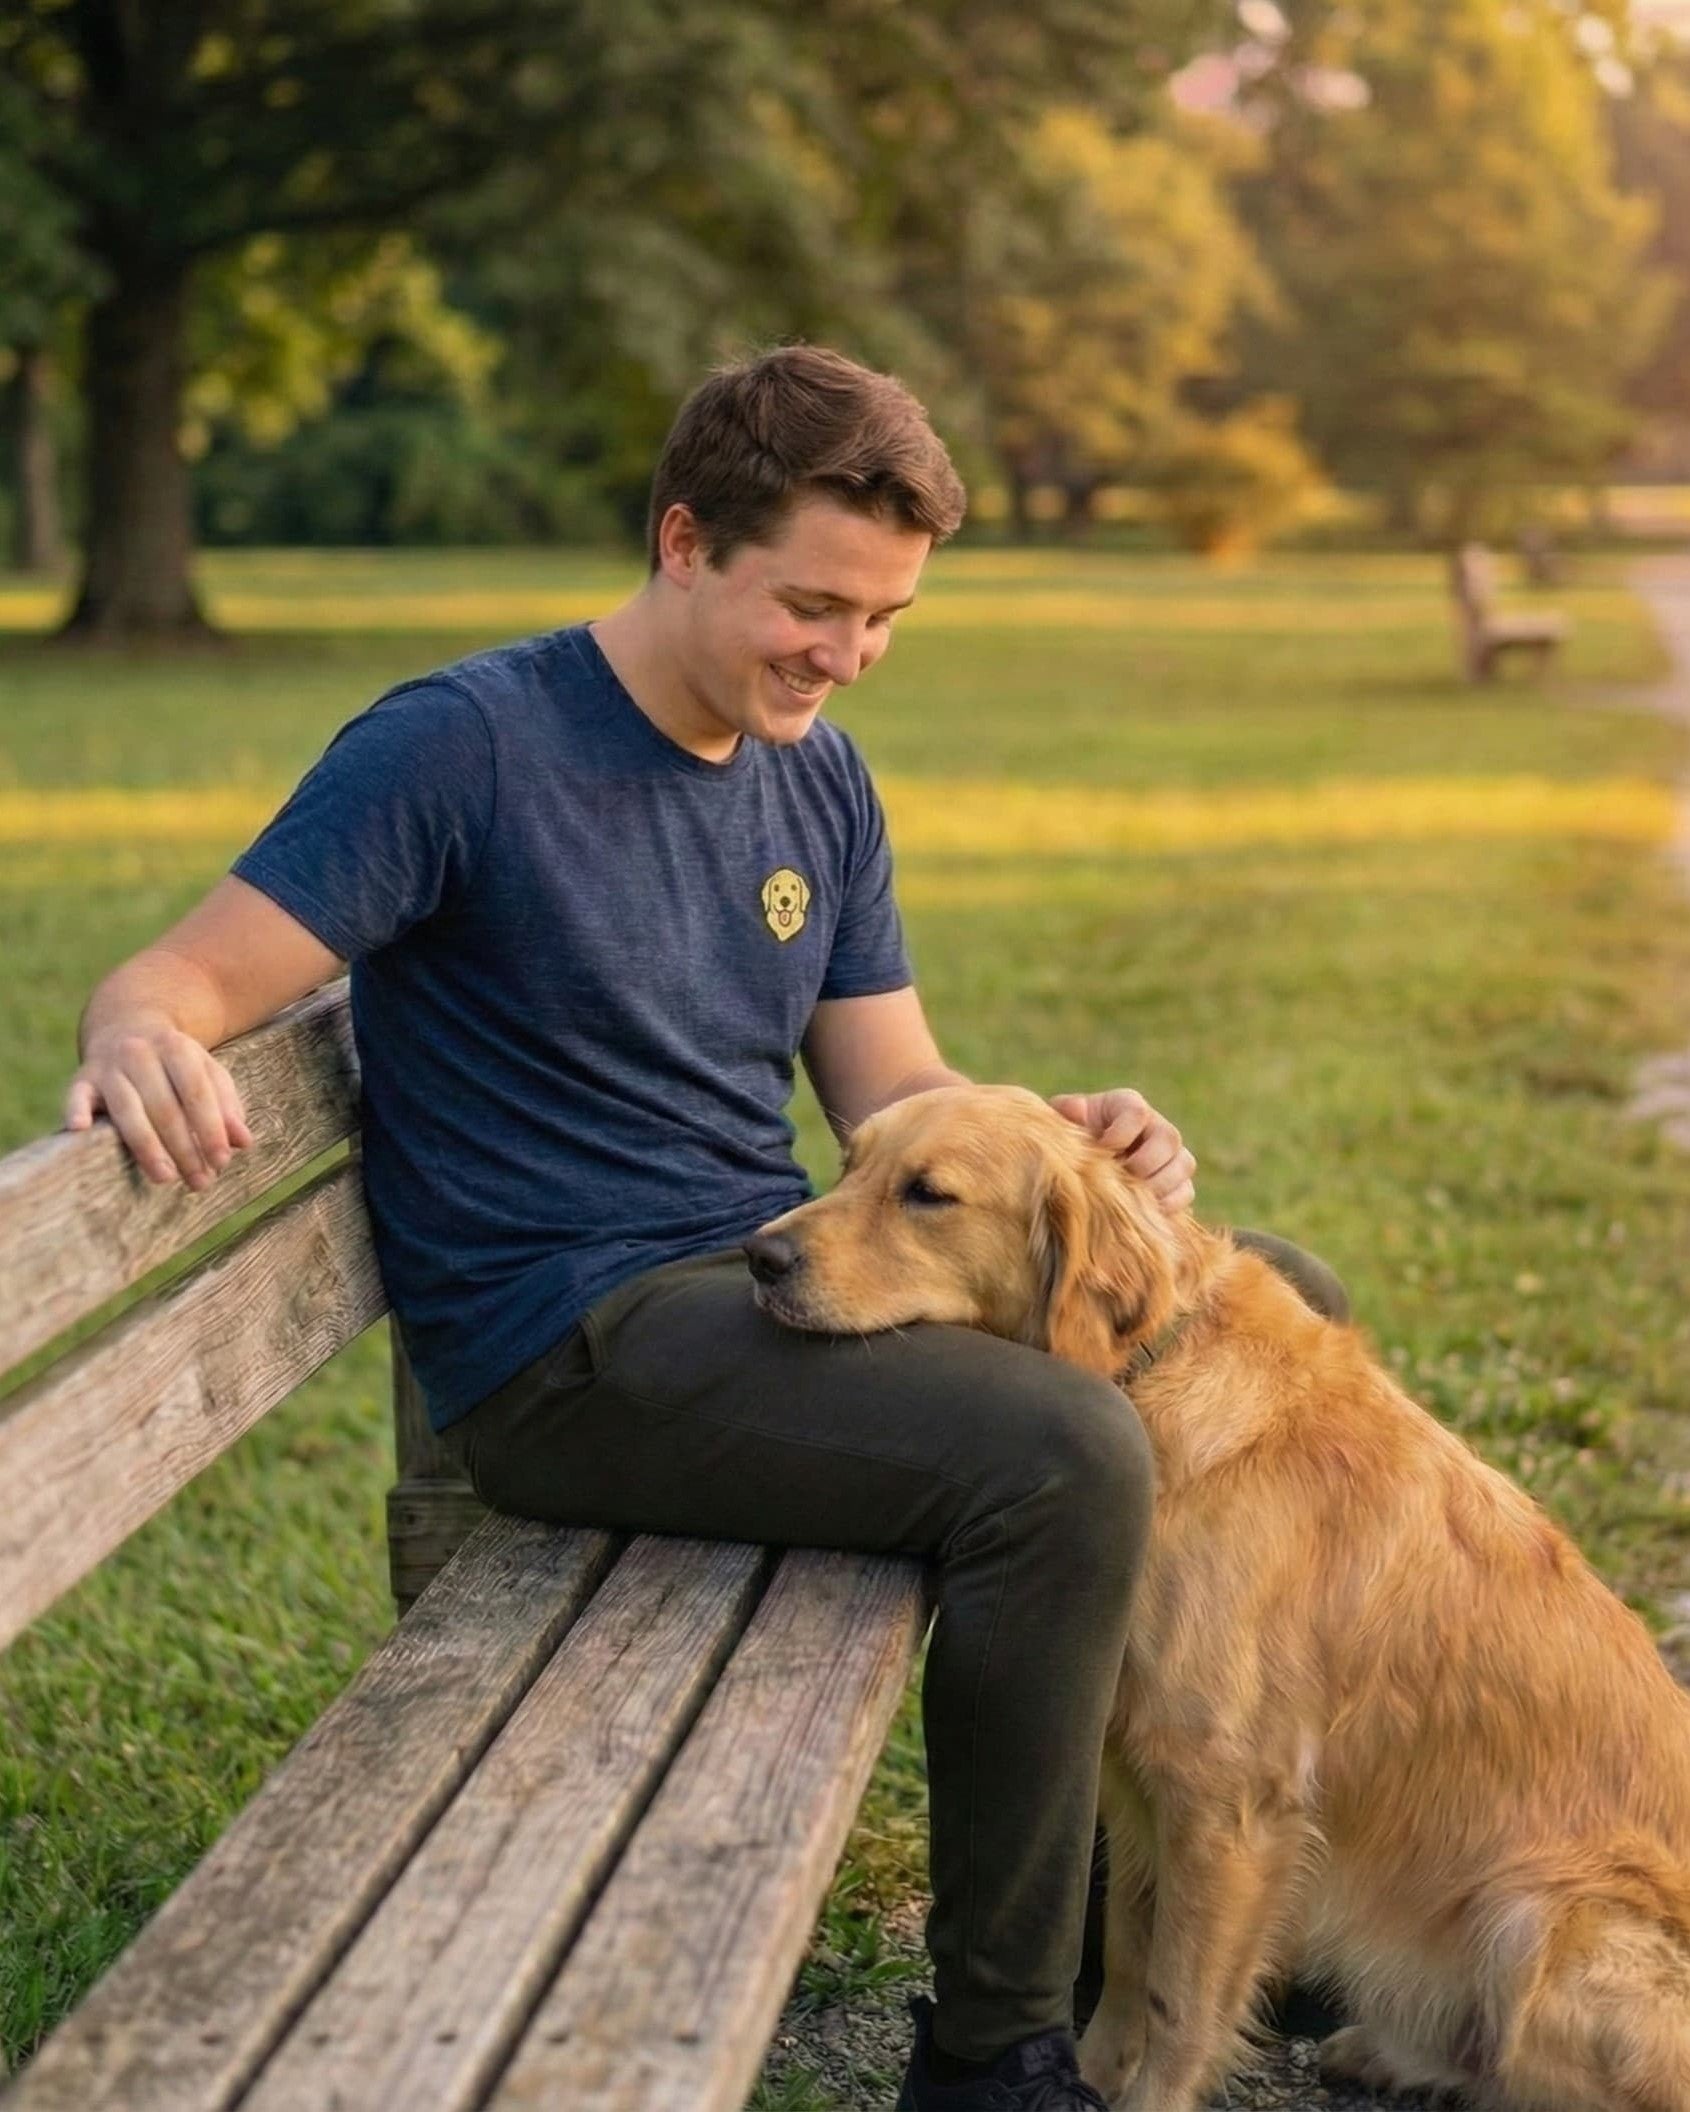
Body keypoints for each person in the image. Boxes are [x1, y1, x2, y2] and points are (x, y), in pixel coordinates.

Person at [64, 345, 1343, 2110]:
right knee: (1058, 1453)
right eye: (813, 606)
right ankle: (999, 2039)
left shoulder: (816, 779)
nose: (847, 653)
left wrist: (1071, 1145)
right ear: (683, 541)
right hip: (570, 1351)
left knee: (1257, 1298)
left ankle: (1196, 1881)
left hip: (765, 1281)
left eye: (883, 618)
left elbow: (895, 1084)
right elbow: (183, 977)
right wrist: (139, 1026)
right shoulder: (463, 747)